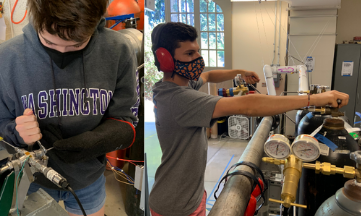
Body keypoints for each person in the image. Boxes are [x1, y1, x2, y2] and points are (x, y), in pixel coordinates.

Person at [148, 22, 349, 216]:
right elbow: (248, 106)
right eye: (190, 54)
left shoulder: (178, 86)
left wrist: (239, 72)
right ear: (166, 59)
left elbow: (208, 76)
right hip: (176, 206)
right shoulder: (179, 99)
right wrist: (314, 99)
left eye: (198, 51)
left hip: (189, 194)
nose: (198, 58)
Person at [0, 0, 140, 215]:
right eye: (50, 42)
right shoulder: (7, 56)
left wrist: (98, 139)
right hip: (32, 178)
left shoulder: (118, 49)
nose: (62, 53)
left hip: (88, 178)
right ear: (35, 19)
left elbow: (126, 120)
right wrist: (17, 132)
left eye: (77, 44)